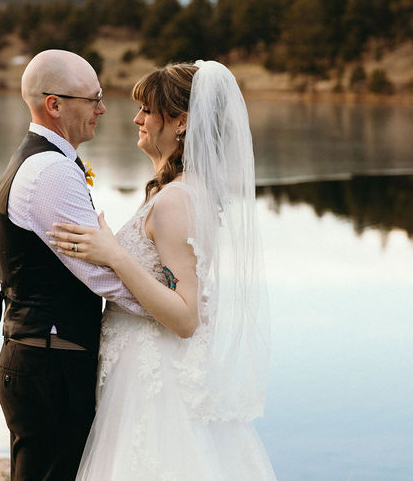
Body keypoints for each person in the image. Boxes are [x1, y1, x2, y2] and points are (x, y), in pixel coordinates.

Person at [49, 60, 277, 480]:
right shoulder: (181, 193)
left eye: (148, 110)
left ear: (181, 122)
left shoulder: (176, 201)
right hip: (140, 372)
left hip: (153, 383)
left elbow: (186, 316)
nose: (137, 118)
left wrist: (114, 255)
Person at [0, 49, 148, 481]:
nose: (102, 107)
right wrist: (169, 306)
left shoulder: (44, 161)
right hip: (50, 366)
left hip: (42, 358)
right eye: (92, 98)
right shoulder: (49, 173)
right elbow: (104, 277)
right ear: (54, 104)